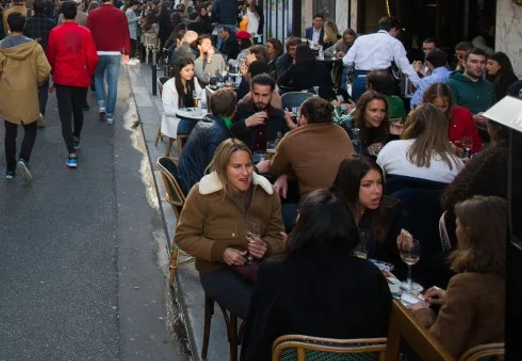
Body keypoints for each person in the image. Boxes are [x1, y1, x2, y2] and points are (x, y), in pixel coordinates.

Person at [240, 189, 392, 361]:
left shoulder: (274, 272)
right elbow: (386, 336)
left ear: (302, 226)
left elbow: (257, 338)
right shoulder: (370, 274)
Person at [174, 139, 285, 322]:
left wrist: (267, 247)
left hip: (259, 266)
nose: (245, 173)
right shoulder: (202, 194)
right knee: (260, 314)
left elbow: (278, 236)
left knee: (291, 304)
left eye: (248, 165)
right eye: (237, 167)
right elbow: (184, 237)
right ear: (222, 168)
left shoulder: (266, 193)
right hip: (216, 270)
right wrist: (221, 251)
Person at [408, 196, 506, 358]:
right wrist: (451, 298)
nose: (455, 231)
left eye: (457, 224)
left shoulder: (464, 285)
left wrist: (424, 315)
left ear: (468, 233)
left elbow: (437, 350)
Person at [0, 12, 51, 183]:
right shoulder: (34, 47)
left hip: (7, 94)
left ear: (8, 26)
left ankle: (10, 167)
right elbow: (45, 69)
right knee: (30, 129)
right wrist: (35, 81)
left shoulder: (0, 48)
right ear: (23, 26)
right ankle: (24, 159)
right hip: (28, 92)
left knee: (10, 132)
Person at [257, 97, 354, 198]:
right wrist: (288, 175)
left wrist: (278, 171)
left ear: (303, 118)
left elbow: (275, 170)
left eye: (298, 116)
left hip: (315, 204)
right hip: (349, 200)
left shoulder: (291, 138)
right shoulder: (341, 132)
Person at [46, 1, 98, 169]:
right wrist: (89, 74)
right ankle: (76, 137)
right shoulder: (85, 32)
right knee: (78, 111)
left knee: (65, 115)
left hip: (62, 77)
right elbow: (92, 57)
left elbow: (50, 56)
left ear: (62, 14)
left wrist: (53, 71)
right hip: (81, 76)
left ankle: (71, 152)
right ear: (76, 13)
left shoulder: (55, 32)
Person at [332, 155, 407, 268]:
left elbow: (393, 260)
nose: (376, 191)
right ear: (350, 186)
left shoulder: (391, 208)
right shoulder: (329, 209)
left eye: (379, 182)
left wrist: (403, 248)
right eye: (367, 185)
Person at [377, 104, 465, 184]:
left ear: (411, 124)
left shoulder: (391, 149)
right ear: (442, 130)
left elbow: (377, 182)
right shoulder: (456, 165)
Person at [342, 17, 421, 102]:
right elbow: (406, 68)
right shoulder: (394, 42)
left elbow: (346, 61)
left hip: (360, 80)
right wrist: (421, 85)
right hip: (380, 82)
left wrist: (353, 69)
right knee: (379, 113)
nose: (396, 35)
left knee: (358, 112)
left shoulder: (361, 39)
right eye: (397, 32)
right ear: (393, 29)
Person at [177, 88, 237, 195]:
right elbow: (214, 173)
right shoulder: (218, 134)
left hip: (187, 179)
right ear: (234, 109)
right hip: (194, 189)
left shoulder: (207, 120)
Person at [86, 0, 131, 125]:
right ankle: (110, 114)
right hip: (115, 53)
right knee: (112, 82)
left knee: (98, 78)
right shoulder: (120, 14)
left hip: (97, 51)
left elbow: (89, 35)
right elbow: (126, 34)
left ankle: (101, 105)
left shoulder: (93, 14)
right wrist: (127, 52)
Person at [232, 75, 288, 153]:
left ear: (272, 94)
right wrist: (246, 123)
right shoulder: (239, 110)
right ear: (251, 92)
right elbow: (228, 135)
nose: (260, 99)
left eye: (265, 95)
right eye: (256, 94)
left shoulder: (280, 116)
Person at [23, 0, 55, 127]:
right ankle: (40, 113)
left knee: (30, 87)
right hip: (45, 59)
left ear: (33, 9)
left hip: (29, 58)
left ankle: (29, 112)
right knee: (43, 88)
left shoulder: (26, 23)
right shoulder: (51, 23)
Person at [422, 83, 481, 154]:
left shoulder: (463, 115)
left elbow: (475, 147)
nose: (440, 111)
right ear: (428, 104)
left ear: (450, 103)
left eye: (444, 106)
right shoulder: (421, 116)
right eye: (436, 107)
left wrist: (459, 150)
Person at [161, 56, 205, 142]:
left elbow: (200, 98)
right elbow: (167, 110)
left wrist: (198, 108)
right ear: (179, 71)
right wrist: (184, 113)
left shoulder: (193, 81)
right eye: (187, 70)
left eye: (192, 70)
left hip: (193, 116)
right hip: (176, 121)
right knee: (202, 127)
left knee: (205, 124)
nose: (191, 73)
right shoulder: (169, 85)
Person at [446, 47, 495, 118]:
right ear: (464, 63)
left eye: (482, 62)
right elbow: (447, 114)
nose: (479, 66)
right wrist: (472, 119)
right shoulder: (451, 85)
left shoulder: (489, 85)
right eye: (474, 62)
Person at [342, 91, 393, 157]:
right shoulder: (348, 126)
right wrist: (367, 151)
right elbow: (343, 155)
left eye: (382, 110)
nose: (379, 115)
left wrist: (395, 136)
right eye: (373, 110)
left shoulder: (386, 127)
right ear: (362, 110)